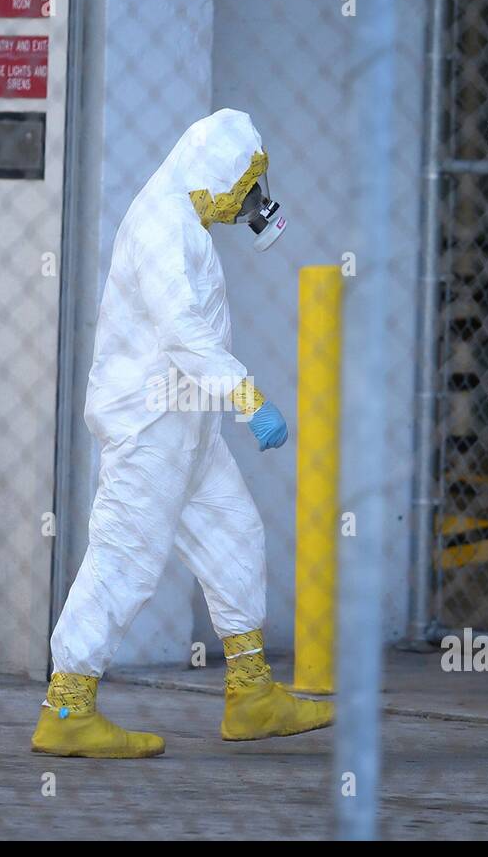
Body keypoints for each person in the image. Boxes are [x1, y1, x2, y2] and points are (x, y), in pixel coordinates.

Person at [31, 109, 333, 758]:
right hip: (149, 425)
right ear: (219, 169)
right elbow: (181, 332)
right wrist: (247, 395)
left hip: (188, 424)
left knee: (234, 532)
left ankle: (250, 694)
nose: (251, 198)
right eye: (246, 181)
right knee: (125, 559)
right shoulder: (163, 223)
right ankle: (67, 706)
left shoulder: (189, 220)